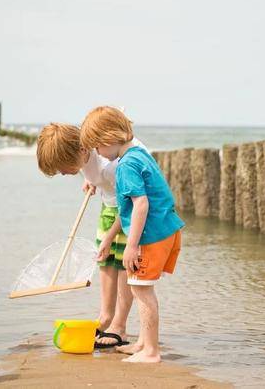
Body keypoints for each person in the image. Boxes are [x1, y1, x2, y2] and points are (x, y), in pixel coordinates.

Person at [80, 106, 184, 363]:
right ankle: (142, 342)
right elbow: (128, 209)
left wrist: (131, 245)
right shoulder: (139, 153)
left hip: (152, 235)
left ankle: (151, 351)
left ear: (107, 141)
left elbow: (140, 204)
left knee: (141, 290)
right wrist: (108, 238)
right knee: (140, 288)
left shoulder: (125, 166)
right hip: (166, 229)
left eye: (97, 148)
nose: (98, 154)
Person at [36, 122, 145, 348]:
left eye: (63, 168)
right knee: (105, 260)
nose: (63, 174)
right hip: (109, 207)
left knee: (124, 264)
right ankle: (105, 317)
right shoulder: (88, 158)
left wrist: (110, 234)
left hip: (129, 212)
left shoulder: (112, 165)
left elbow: (130, 205)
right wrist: (91, 179)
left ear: (82, 150)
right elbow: (94, 170)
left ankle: (120, 326)